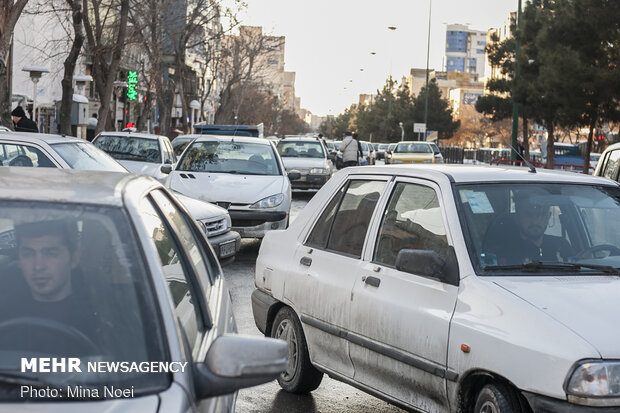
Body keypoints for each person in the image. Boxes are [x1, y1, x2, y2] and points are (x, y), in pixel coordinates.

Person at [0, 220, 99, 353]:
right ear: (19, 259)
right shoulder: (4, 309)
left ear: (74, 258)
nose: (38, 266)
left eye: (51, 253)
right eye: (28, 254)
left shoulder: (98, 317)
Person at [487, 190, 573, 265]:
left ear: (549, 216)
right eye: (528, 214)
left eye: (541, 214)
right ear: (517, 216)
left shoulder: (561, 246)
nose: (535, 221)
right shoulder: (505, 251)